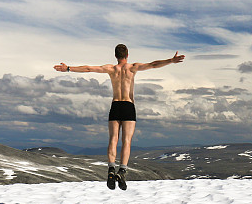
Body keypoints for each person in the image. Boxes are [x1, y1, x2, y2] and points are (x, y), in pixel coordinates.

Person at [55, 44, 185, 190]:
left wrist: (68, 68)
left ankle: (111, 169)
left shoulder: (111, 69)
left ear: (115, 56)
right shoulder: (132, 68)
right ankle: (122, 171)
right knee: (127, 141)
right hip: (128, 106)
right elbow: (153, 65)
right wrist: (171, 61)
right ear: (127, 55)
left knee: (113, 139)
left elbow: (88, 68)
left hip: (115, 105)